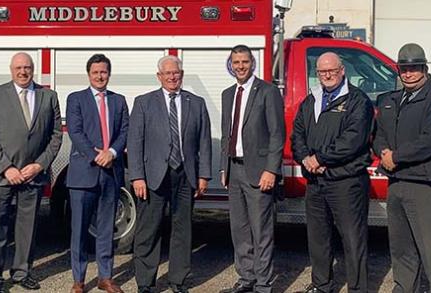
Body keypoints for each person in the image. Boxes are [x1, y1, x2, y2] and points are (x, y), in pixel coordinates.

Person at [373, 43, 431, 293]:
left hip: (425, 185)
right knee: (401, 248)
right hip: (396, 182)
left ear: (424, 69)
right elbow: (378, 134)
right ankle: (404, 288)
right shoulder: (390, 100)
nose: (408, 74)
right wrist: (383, 153)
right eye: (404, 69)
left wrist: (396, 157)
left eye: (414, 68)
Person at [0, 52, 63, 293]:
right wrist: (7, 167)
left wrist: (39, 165)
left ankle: (22, 272)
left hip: (33, 175)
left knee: (27, 227)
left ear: (33, 69)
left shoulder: (48, 96)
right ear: (11, 69)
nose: (23, 72)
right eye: (18, 68)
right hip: (1, 175)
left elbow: (56, 135)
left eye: (27, 67)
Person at [128, 55, 211, 293]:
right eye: (168, 73)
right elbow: (135, 142)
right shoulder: (144, 103)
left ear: (181, 75)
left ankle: (178, 280)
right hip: (153, 177)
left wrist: (204, 175)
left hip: (185, 175)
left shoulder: (196, 103)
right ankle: (145, 282)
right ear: (159, 76)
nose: (172, 77)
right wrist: (137, 176)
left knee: (183, 230)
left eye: (176, 73)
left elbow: (204, 142)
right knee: (148, 230)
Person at [291, 52, 373, 293]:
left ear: (342, 70)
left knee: (353, 239)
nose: (327, 75)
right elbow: (297, 134)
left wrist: (320, 158)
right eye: (322, 71)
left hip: (346, 181)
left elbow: (353, 140)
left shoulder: (358, 101)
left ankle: (358, 289)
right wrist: (306, 159)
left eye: (332, 70)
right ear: (317, 74)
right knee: (318, 238)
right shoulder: (311, 100)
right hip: (316, 181)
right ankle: (322, 286)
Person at [218, 45, 285, 293]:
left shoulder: (267, 91)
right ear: (231, 65)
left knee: (261, 230)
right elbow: (226, 133)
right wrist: (223, 168)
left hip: (258, 171)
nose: (240, 66)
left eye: (244, 62)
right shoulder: (228, 94)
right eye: (236, 62)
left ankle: (263, 284)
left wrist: (271, 170)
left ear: (252, 63)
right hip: (233, 170)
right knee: (240, 229)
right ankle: (246, 278)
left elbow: (277, 134)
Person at [64, 54, 129, 293]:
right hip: (84, 173)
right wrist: (96, 156)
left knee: (106, 228)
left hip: (111, 172)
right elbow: (75, 132)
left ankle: (105, 277)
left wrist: (112, 152)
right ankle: (79, 280)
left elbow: (125, 131)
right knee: (80, 230)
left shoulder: (119, 100)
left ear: (109, 74)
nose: (100, 76)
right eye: (95, 72)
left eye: (103, 72)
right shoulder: (76, 99)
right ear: (88, 74)